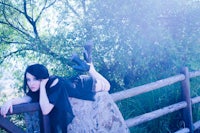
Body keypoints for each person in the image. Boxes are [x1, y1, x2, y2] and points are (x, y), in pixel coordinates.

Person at [0, 43, 110, 133]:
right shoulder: (36, 89)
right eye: (28, 80)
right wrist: (10, 101)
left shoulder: (54, 82)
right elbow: (25, 99)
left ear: (42, 77)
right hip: (73, 84)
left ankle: (90, 68)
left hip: (82, 84)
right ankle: (87, 64)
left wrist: (42, 85)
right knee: (105, 84)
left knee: (107, 86)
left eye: (35, 79)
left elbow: (46, 109)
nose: (31, 83)